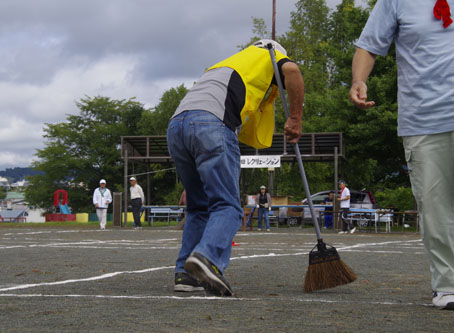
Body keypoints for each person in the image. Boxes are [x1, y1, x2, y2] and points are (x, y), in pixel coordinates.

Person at [167, 39, 304, 296]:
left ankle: (185, 275)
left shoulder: (226, 65)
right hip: (211, 124)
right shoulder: (269, 57)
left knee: (198, 206)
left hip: (176, 126)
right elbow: (294, 72)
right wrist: (296, 118)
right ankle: (207, 258)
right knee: (228, 206)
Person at [349, 0, 454, 310]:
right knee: (435, 206)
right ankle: (448, 285)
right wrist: (359, 80)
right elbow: (368, 46)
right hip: (424, 119)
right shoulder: (395, 1)